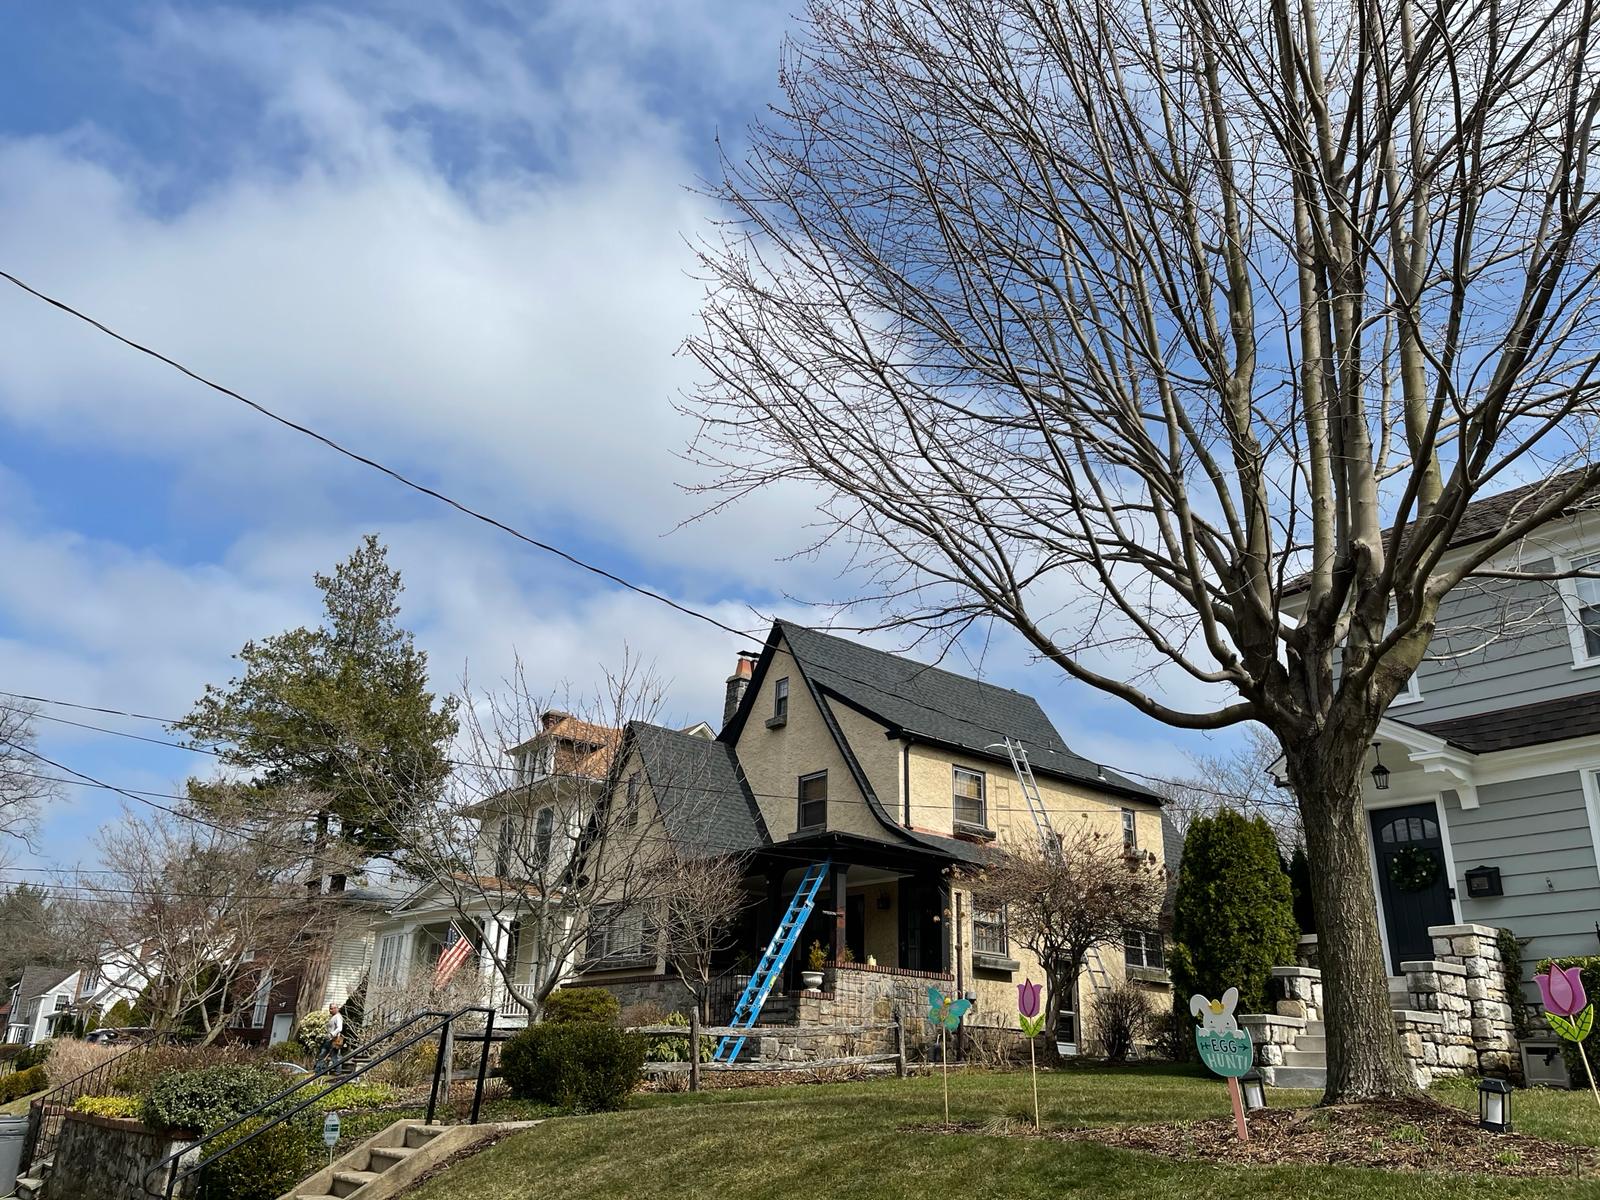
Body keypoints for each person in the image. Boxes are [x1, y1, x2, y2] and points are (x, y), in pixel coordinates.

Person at [314, 1003, 345, 1074]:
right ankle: (318, 1070)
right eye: (330, 1008)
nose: (330, 1010)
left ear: (336, 1009)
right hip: (328, 1040)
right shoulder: (333, 1017)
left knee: (334, 1056)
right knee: (322, 1054)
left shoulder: (338, 1017)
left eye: (331, 1009)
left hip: (334, 1040)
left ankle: (338, 1071)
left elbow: (339, 1028)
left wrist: (332, 1034)